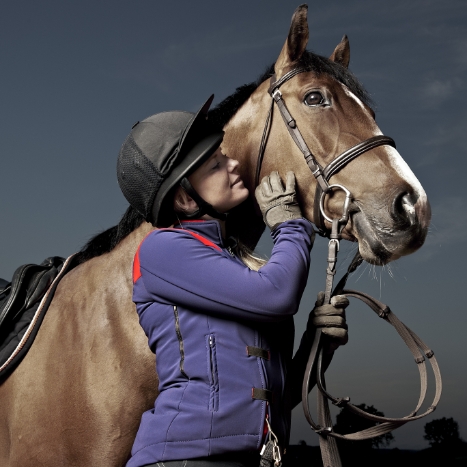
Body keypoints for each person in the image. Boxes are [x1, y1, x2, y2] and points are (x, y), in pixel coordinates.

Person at [117, 95, 349, 467]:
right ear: (184, 198)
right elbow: (277, 295)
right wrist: (289, 223)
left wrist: (316, 344)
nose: (233, 163)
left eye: (223, 156)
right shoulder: (163, 249)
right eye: (215, 164)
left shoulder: (232, 262)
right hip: (185, 459)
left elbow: (276, 396)